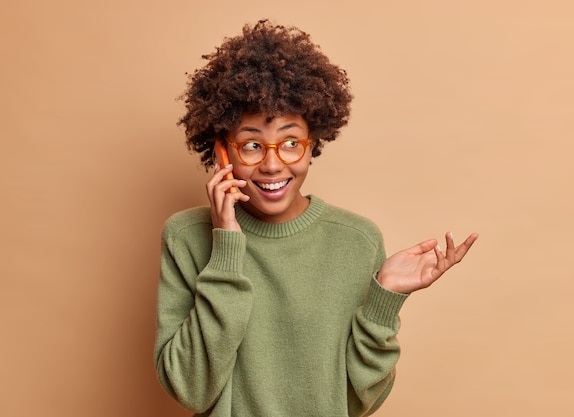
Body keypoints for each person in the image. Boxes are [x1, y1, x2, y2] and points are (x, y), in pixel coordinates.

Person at [154, 20, 478, 417]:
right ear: (223, 152)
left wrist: (383, 299)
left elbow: (363, 399)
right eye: (252, 145)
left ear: (313, 144)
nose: (273, 164)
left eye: (291, 143)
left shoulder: (356, 240)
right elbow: (191, 388)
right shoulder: (187, 237)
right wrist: (225, 247)